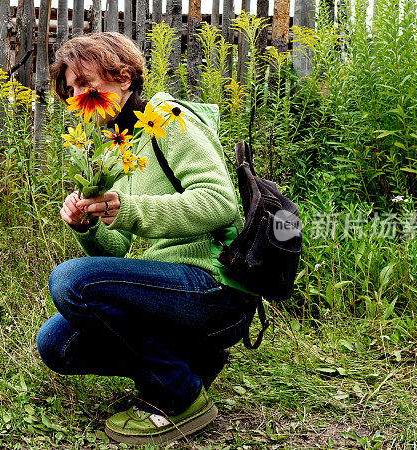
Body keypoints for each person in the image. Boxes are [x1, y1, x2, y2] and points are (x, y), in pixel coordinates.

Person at [36, 32, 260, 445]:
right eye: (72, 92)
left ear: (123, 77)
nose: (81, 97)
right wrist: (88, 227)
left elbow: (220, 204)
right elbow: (116, 248)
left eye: (88, 85)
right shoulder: (116, 146)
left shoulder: (166, 117)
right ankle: (194, 359)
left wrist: (126, 208)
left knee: (71, 281)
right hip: (172, 286)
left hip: (215, 283)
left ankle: (180, 393)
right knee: (56, 344)